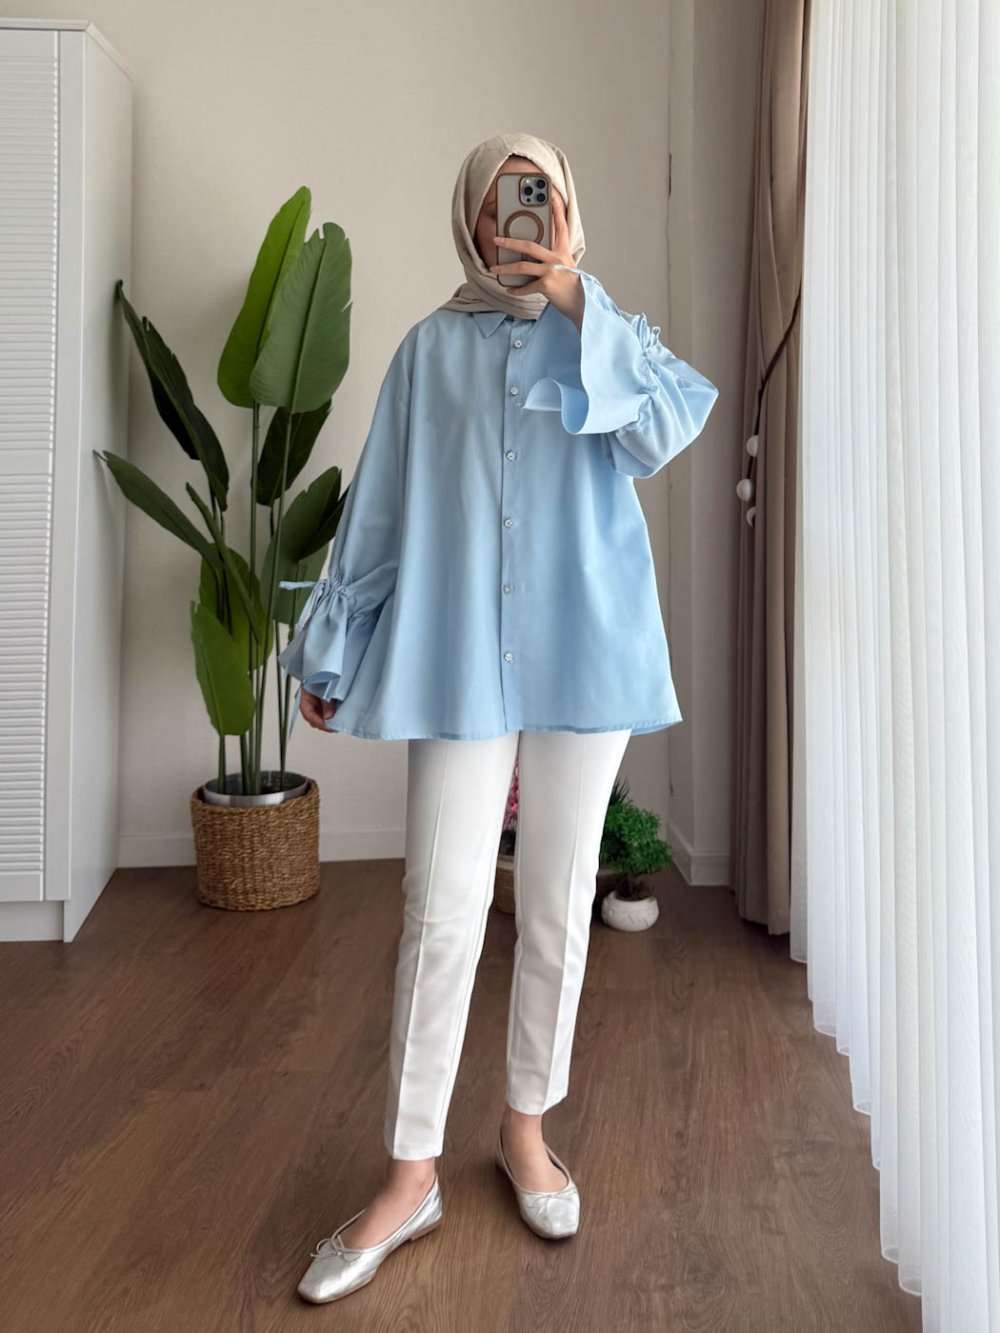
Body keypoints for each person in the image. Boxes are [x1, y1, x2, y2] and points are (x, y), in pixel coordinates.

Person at [278, 132, 719, 1305]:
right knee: (440, 908)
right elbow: (379, 508)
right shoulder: (428, 351)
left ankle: (526, 1131)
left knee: (559, 902)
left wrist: (577, 300)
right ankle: (408, 1173)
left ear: (566, 211)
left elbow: (661, 433)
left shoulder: (608, 335)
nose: (519, 216)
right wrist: (331, 644)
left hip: (587, 650)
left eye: (542, 195)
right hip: (459, 654)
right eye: (501, 199)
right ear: (471, 219)